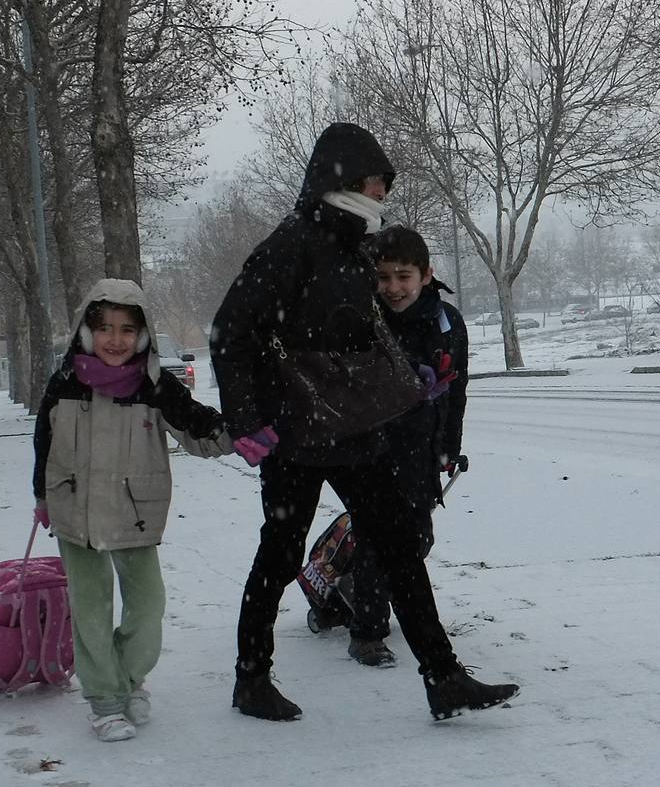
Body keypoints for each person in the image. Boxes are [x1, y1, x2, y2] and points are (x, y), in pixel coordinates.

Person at [210, 121, 518, 722]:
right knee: (279, 553)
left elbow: (365, 336)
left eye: (382, 184)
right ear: (344, 179)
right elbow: (230, 331)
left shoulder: (358, 247)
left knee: (401, 546)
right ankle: (251, 679)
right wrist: (247, 418)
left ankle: (443, 676)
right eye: (375, 182)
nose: (381, 193)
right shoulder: (291, 242)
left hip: (356, 429)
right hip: (296, 436)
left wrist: (410, 381)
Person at [32, 279, 231, 742]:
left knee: (147, 607)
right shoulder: (64, 384)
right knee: (91, 610)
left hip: (133, 510)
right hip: (73, 509)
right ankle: (104, 700)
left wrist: (241, 431)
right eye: (105, 328)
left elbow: (199, 428)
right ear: (87, 330)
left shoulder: (154, 387)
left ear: (141, 335)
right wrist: (42, 495)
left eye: (126, 329)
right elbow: (44, 442)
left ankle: (130, 677)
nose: (115, 340)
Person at [343, 225, 471, 669]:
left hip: (420, 448)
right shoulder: (361, 318)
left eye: (403, 276)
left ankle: (356, 590)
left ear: (426, 274)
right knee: (379, 534)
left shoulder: (447, 322)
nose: (393, 288)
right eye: (382, 277)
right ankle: (368, 631)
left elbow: (457, 391)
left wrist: (449, 447)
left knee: (417, 536)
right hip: (368, 446)